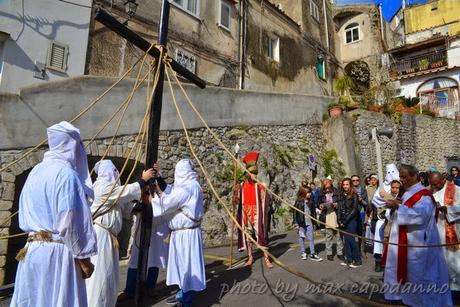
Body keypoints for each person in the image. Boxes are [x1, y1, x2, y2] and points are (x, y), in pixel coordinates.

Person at [11, 121, 97, 307]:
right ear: (73, 146)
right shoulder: (66, 175)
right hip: (58, 255)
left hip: (32, 252)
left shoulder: (36, 171)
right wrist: (84, 260)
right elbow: (69, 223)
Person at [85, 160, 156, 307]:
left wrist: (143, 204)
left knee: (109, 275)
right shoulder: (101, 187)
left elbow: (126, 208)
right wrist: (143, 180)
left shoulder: (113, 194)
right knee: (100, 276)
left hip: (109, 238)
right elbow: (127, 191)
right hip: (101, 237)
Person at [382, 164, 452, 306]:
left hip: (419, 243)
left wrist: (397, 206)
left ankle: (423, 302)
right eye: (400, 177)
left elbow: (421, 215)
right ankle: (408, 299)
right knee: (408, 274)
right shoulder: (406, 193)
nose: (402, 180)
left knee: (419, 275)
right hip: (404, 241)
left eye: (405, 177)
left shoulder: (423, 195)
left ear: (415, 176)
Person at [146, 159, 206, 307]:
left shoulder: (188, 188)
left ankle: (186, 299)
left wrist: (151, 199)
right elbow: (171, 190)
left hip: (186, 235)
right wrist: (159, 176)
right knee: (183, 267)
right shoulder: (191, 185)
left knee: (187, 267)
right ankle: (182, 294)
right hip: (183, 234)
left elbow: (168, 201)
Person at [120, 174, 171, 301]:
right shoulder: (140, 189)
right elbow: (130, 205)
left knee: (154, 259)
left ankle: (150, 287)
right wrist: (139, 206)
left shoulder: (161, 190)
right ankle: (130, 290)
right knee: (135, 260)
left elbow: (166, 202)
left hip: (157, 231)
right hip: (142, 228)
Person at [234, 151, 273, 268]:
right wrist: (235, 193)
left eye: (255, 173)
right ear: (247, 173)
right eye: (252, 173)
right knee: (248, 237)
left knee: (261, 235)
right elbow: (236, 201)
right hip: (246, 213)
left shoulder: (259, 185)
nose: (255, 175)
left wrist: (265, 191)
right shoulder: (241, 186)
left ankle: (267, 258)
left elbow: (266, 200)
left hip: (257, 213)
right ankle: (250, 256)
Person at [430, 171, 460, 291]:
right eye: (432, 184)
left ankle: (456, 287)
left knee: (454, 258)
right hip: (437, 229)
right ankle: (445, 284)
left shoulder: (456, 190)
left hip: (453, 229)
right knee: (441, 258)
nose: (434, 187)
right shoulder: (431, 190)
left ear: (443, 180)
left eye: (436, 184)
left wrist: (448, 209)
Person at [372, 164, 399, 273]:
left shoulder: (400, 186)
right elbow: (375, 200)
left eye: (392, 172)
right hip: (384, 217)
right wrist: (383, 197)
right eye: (388, 173)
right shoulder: (382, 187)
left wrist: (387, 197)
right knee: (379, 238)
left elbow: (398, 201)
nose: (390, 175)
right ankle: (378, 260)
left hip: (397, 219)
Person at [293, 185, 322, 261]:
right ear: (303, 193)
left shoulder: (311, 202)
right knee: (301, 238)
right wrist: (296, 223)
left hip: (309, 223)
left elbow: (313, 214)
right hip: (301, 223)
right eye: (308, 192)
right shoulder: (298, 201)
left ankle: (313, 253)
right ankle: (303, 252)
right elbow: (295, 213)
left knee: (311, 238)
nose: (310, 194)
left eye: (310, 192)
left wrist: (315, 223)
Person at [337, 178, 361, 268]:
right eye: (344, 185)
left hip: (351, 220)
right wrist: (339, 220)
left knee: (351, 240)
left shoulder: (354, 195)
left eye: (347, 184)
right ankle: (349, 259)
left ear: (350, 185)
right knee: (346, 241)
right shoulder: (341, 195)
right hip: (343, 220)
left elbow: (354, 210)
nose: (345, 186)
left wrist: (346, 221)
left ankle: (358, 260)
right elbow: (339, 208)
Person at [318, 178, 344, 261]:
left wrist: (337, 204)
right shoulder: (321, 194)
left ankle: (340, 253)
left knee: (339, 236)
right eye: (326, 188)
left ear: (331, 185)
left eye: (329, 187)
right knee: (328, 236)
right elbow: (318, 203)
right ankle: (329, 253)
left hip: (336, 215)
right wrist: (321, 205)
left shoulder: (337, 192)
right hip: (327, 216)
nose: (327, 189)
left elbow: (342, 202)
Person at [381, 180, 402, 270]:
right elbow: (380, 208)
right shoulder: (387, 196)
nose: (394, 189)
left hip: (398, 225)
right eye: (393, 187)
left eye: (397, 188)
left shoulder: (402, 197)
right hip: (389, 224)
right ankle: (386, 265)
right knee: (386, 242)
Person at [351, 175, 368, 257]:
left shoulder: (363, 189)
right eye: (353, 180)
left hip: (361, 212)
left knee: (361, 232)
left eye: (357, 180)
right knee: (352, 232)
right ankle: (355, 250)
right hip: (351, 213)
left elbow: (366, 203)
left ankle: (362, 250)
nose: (355, 181)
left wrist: (361, 200)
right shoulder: (349, 189)